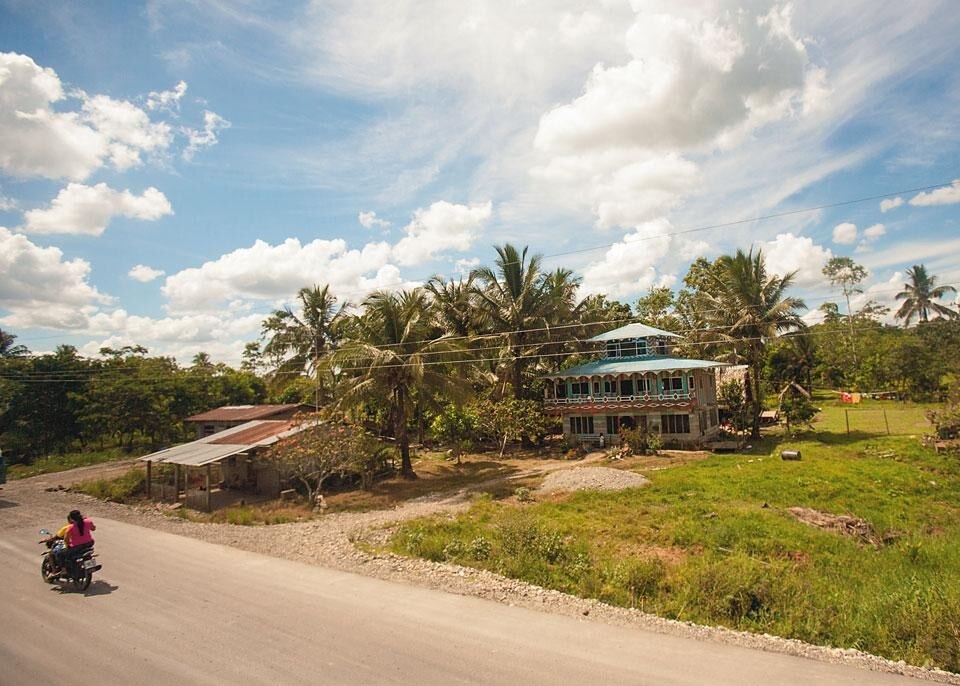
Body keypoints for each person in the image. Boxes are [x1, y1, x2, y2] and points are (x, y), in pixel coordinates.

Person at [62, 509, 96, 579]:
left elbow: (66, 539)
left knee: (65, 556)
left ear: (71, 519)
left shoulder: (71, 527)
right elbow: (93, 528)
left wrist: (68, 545)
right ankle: (90, 566)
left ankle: (67, 571)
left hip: (77, 546)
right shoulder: (88, 522)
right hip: (89, 544)